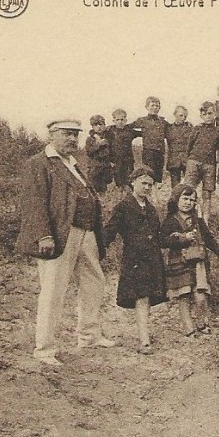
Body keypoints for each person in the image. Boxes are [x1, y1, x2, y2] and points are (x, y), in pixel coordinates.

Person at [16, 119, 114, 365]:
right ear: (51, 135)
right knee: (53, 290)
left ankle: (89, 335)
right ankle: (45, 349)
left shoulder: (72, 163)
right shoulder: (38, 163)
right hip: (60, 235)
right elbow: (34, 203)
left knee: (95, 282)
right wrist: (44, 235)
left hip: (85, 233)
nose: (72, 139)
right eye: (67, 134)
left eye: (75, 135)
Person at [104, 168, 168, 355]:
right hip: (135, 258)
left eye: (150, 184)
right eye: (143, 183)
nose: (147, 187)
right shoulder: (123, 206)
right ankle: (144, 339)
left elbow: (159, 235)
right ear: (133, 182)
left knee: (146, 297)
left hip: (153, 258)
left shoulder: (151, 208)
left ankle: (144, 333)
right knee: (142, 297)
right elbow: (109, 232)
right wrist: (98, 250)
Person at [161, 184, 219, 337]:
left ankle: (201, 323)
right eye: (184, 199)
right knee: (183, 296)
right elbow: (162, 240)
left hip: (198, 263)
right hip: (179, 262)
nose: (188, 202)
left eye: (192, 200)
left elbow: (209, 238)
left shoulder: (198, 220)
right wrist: (180, 238)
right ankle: (189, 328)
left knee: (200, 296)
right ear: (176, 200)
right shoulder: (171, 221)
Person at [185, 102, 219, 226]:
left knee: (207, 193)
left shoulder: (218, 131)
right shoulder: (197, 128)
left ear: (215, 114)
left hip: (209, 165)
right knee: (188, 190)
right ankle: (188, 219)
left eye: (210, 113)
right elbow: (190, 145)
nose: (208, 116)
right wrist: (191, 159)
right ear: (201, 115)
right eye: (204, 114)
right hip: (194, 161)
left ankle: (205, 222)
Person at [130, 96, 169, 185]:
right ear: (147, 107)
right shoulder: (142, 120)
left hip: (160, 153)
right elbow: (128, 128)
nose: (155, 108)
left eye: (157, 106)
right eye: (152, 105)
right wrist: (141, 134)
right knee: (148, 175)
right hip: (148, 152)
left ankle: (155, 196)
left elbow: (172, 129)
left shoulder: (162, 122)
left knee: (158, 178)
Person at [103, 108, 141, 191]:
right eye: (117, 119)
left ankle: (130, 193)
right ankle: (120, 194)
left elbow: (143, 133)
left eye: (122, 119)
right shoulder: (110, 130)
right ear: (113, 120)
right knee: (118, 180)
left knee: (130, 178)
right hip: (115, 160)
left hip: (128, 159)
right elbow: (96, 132)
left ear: (125, 120)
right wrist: (109, 160)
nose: (120, 121)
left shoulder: (130, 130)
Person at [81, 114, 113, 194]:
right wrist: (98, 145)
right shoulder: (90, 139)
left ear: (104, 125)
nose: (98, 127)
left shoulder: (108, 137)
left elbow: (112, 151)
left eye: (100, 124)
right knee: (93, 186)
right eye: (95, 125)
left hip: (106, 166)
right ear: (92, 127)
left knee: (104, 186)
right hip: (95, 166)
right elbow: (89, 151)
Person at [165, 105, 193, 188]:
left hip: (186, 160)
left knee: (189, 185)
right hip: (174, 161)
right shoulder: (168, 128)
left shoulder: (190, 128)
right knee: (175, 186)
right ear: (175, 114)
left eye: (185, 116)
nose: (183, 118)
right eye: (181, 115)